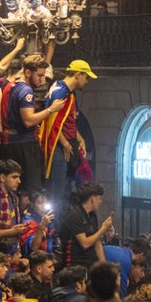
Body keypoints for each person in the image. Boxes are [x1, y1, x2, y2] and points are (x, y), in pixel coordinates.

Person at [0, 54, 66, 194]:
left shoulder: (10, 85)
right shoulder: (26, 91)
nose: (42, 79)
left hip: (9, 144)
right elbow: (28, 120)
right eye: (39, 75)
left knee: (13, 190)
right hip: (24, 146)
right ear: (27, 73)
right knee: (31, 191)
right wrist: (51, 109)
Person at [40, 60, 97, 204]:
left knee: (66, 190)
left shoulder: (68, 92)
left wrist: (80, 139)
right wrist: (65, 144)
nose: (88, 81)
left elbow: (68, 120)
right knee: (58, 191)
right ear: (78, 75)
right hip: (58, 148)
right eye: (87, 77)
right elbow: (52, 124)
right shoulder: (60, 92)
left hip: (68, 145)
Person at [60, 182, 112, 267]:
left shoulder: (92, 216)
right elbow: (85, 244)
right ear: (92, 199)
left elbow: (97, 242)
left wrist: (104, 267)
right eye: (99, 198)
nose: (101, 201)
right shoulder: (75, 215)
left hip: (91, 265)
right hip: (75, 267)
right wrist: (103, 229)